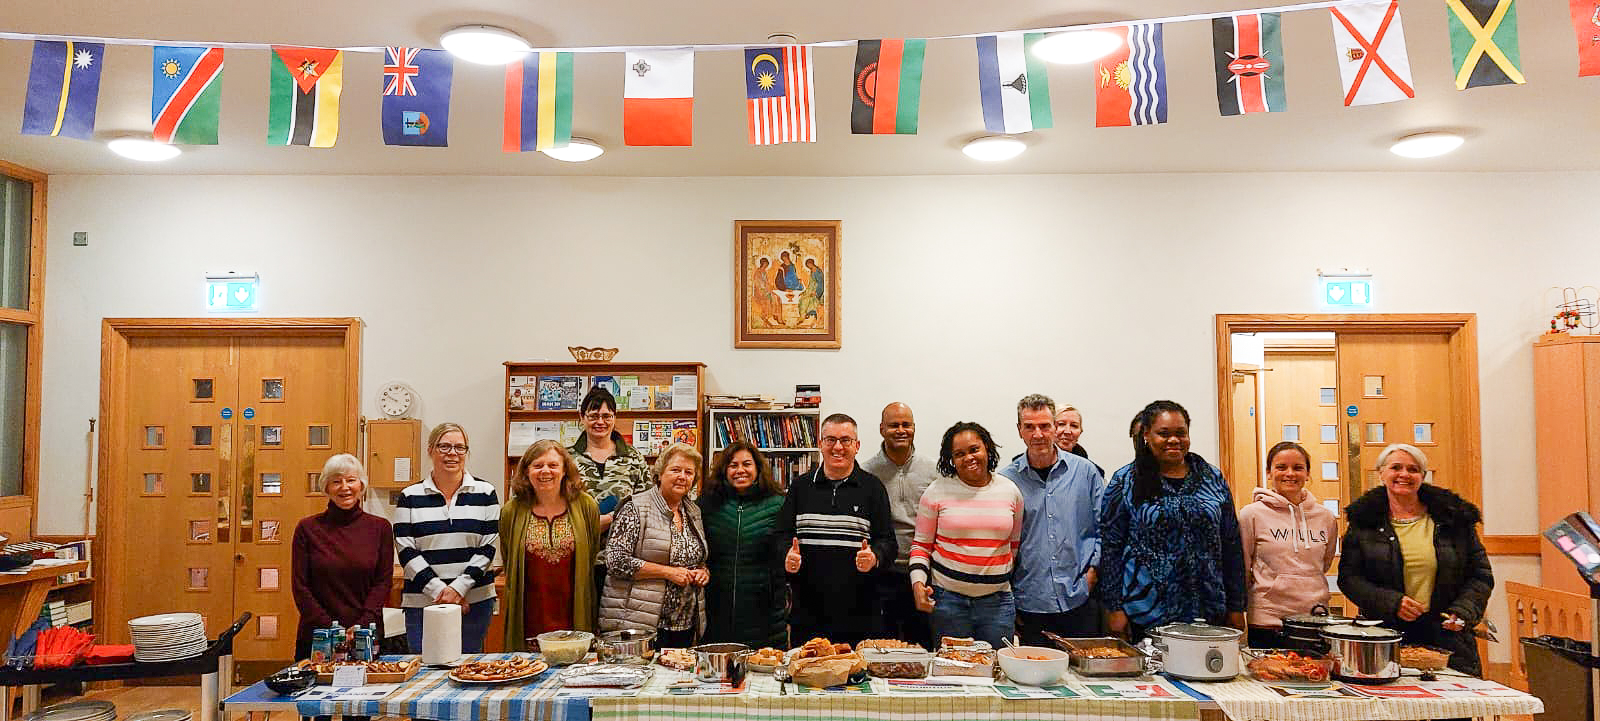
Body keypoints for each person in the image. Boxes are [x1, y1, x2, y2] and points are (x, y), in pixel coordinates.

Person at [1338, 443, 1493, 677]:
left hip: (1448, 639)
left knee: (1454, 710)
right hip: (1384, 637)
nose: (1404, 474)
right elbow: (1349, 579)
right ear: (1381, 473)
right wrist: (1392, 602)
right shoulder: (1363, 521)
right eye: (1396, 467)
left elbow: (1480, 575)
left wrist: (1462, 612)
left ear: (1422, 476)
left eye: (1413, 469)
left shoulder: (1455, 518)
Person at [1099, 401, 1246, 641]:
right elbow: (1111, 547)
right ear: (1146, 435)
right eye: (1163, 434)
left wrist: (1237, 605)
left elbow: (1231, 544)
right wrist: (1114, 608)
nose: (1174, 440)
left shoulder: (1212, 478)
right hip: (1146, 612)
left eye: (1181, 433)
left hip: (1208, 610)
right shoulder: (1126, 481)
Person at [778, 413, 897, 646]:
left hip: (860, 612)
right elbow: (780, 535)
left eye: (846, 440)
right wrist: (785, 555)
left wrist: (874, 557)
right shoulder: (800, 487)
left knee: (859, 679)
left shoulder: (873, 488)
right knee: (807, 678)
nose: (838, 447)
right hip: (809, 611)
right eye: (830, 439)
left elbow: (888, 542)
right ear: (820, 444)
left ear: (857, 446)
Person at [1000, 394, 1105, 644]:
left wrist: (1093, 573)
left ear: (1055, 427)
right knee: (1033, 679)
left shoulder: (1086, 473)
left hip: (1079, 599)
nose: (1038, 434)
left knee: (1081, 680)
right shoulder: (1005, 480)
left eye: (1045, 426)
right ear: (1019, 431)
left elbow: (1104, 529)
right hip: (1029, 601)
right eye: (1029, 427)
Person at [909, 422, 1024, 649]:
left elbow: (1013, 546)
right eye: (959, 454)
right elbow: (921, 546)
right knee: (953, 675)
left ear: (987, 449)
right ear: (951, 459)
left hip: (998, 604)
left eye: (974, 449)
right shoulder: (936, 491)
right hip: (948, 603)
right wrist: (918, 584)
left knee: (997, 673)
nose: (968, 458)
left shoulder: (1010, 491)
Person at [395, 423, 500, 653]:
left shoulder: (486, 493)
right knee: (424, 674)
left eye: (459, 448)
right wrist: (440, 593)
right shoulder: (409, 496)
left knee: (470, 672)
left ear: (466, 453)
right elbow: (406, 550)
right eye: (444, 447)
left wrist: (459, 589)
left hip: (473, 603)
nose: (452, 453)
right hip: (423, 603)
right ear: (430, 450)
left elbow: (488, 547)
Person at [599, 442, 709, 648]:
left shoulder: (693, 511)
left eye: (689, 472)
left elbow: (697, 558)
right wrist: (667, 572)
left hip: (684, 623)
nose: (682, 476)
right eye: (675, 470)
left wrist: (702, 572)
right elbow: (615, 561)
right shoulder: (635, 507)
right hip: (640, 623)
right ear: (659, 473)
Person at [500, 440, 601, 651]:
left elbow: (591, 554)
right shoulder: (512, 511)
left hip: (574, 612)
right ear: (526, 471)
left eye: (553, 465)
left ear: (565, 470)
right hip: (530, 616)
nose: (545, 471)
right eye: (537, 465)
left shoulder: (586, 506)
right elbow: (509, 558)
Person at [291, 453, 393, 660]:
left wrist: (360, 626)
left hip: (365, 635)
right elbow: (300, 587)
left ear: (361, 485)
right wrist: (333, 630)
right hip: (319, 636)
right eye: (336, 481)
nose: (344, 487)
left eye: (351, 480)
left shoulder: (380, 528)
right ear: (326, 487)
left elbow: (383, 582)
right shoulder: (307, 528)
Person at [1238, 441, 1337, 649]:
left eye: (1298, 468)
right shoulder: (1251, 514)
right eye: (1281, 467)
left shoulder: (1326, 517)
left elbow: (1324, 563)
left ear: (1308, 474)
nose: (1290, 473)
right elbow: (1242, 569)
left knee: (1314, 676)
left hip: (1315, 618)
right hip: (1268, 619)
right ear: (1269, 472)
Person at [860, 402, 938, 648]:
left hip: (925, 574)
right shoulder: (866, 473)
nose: (901, 430)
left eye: (906, 425)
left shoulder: (934, 470)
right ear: (882, 429)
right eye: (894, 425)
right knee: (884, 647)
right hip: (882, 573)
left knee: (921, 646)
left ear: (914, 428)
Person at [698, 441, 787, 649]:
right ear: (724, 470)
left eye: (746, 464)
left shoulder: (778, 503)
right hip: (717, 608)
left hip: (765, 612)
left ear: (757, 468)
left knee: (764, 674)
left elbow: (786, 550)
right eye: (733, 465)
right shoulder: (707, 503)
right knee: (719, 675)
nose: (740, 470)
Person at [570, 386, 653, 534]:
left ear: (614, 417)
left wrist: (610, 519)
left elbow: (648, 504)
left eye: (607, 416)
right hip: (578, 545)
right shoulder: (566, 458)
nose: (600, 422)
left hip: (625, 548)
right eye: (594, 416)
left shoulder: (633, 457)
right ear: (582, 417)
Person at [1054, 405, 1104, 477]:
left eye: (1074, 426)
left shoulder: (1091, 471)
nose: (1067, 431)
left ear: (1080, 431)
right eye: (1061, 424)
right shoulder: (1035, 464)